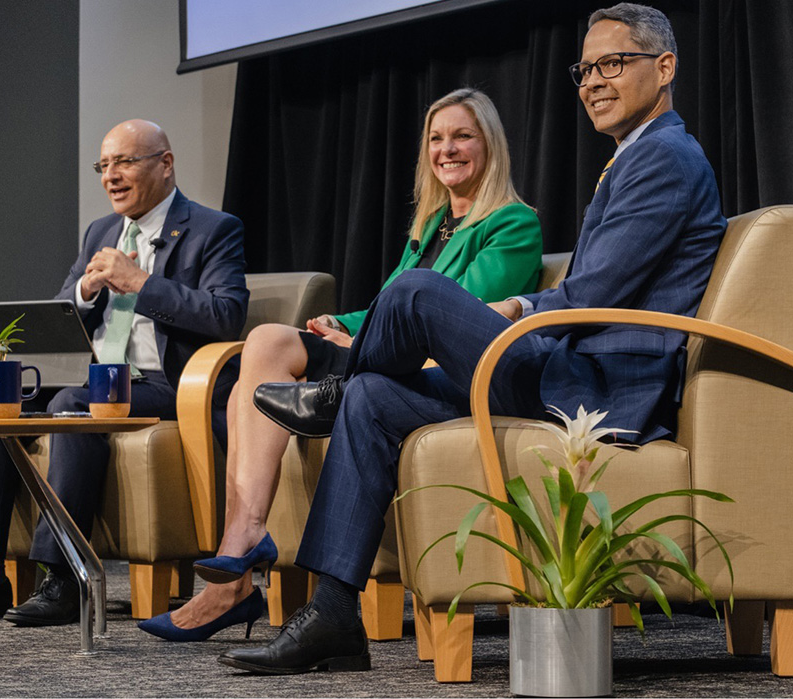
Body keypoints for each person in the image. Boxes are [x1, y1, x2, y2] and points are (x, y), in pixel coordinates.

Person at [224, 3, 727, 674]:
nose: (593, 81)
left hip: (595, 389)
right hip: (566, 365)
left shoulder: (665, 156)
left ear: (664, 68)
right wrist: (525, 306)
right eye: (586, 68)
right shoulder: (633, 158)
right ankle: (336, 611)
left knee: (416, 292)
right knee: (374, 396)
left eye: (614, 63)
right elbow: (591, 291)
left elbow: (593, 297)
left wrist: (519, 306)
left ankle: (332, 392)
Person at [136, 88, 543, 641]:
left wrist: (361, 340)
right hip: (383, 349)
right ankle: (245, 536)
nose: (447, 149)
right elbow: (385, 304)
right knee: (267, 343)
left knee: (245, 388)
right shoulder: (429, 228)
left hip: (432, 366)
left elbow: (453, 314)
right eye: (437, 138)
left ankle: (231, 578)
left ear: (490, 144)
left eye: (462, 136)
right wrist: (344, 324)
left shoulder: (513, 224)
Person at [0, 119, 248, 626]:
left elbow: (225, 315)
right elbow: (58, 312)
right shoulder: (102, 231)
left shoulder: (213, 229)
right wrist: (85, 293)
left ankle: (65, 577)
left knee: (72, 401)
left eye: (125, 162)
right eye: (104, 165)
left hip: (167, 386)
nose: (111, 176)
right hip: (95, 377)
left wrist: (139, 282)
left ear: (166, 163)